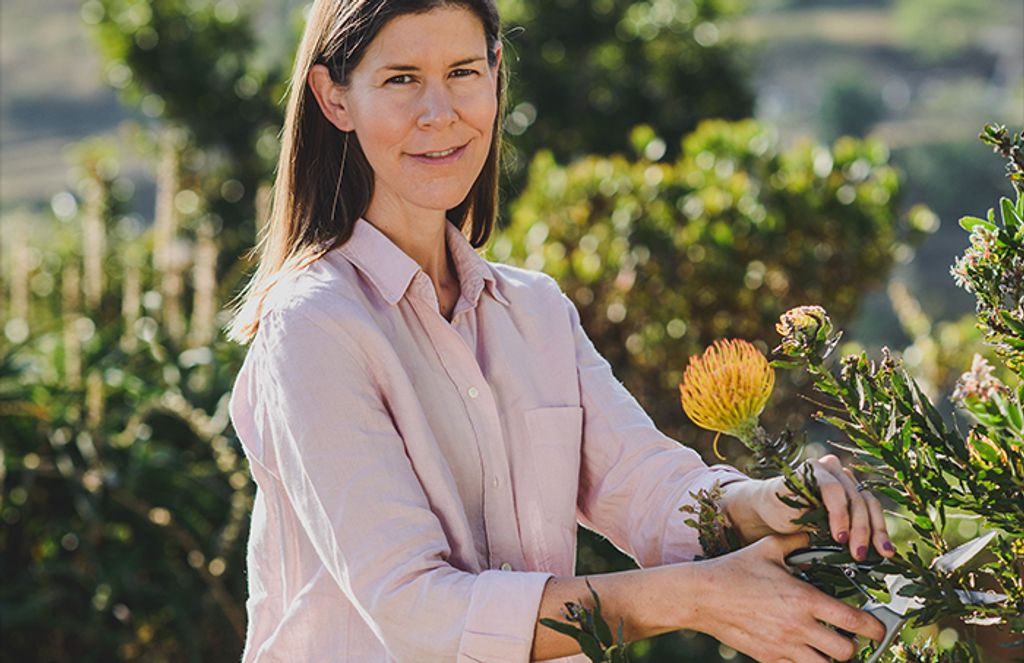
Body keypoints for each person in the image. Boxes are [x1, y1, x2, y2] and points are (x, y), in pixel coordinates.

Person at [225, 1, 895, 661]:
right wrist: (696, 596)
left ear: (494, 74)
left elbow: (653, 491)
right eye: (401, 79)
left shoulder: (536, 311)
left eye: (462, 71)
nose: (440, 112)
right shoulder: (314, 326)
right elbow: (417, 612)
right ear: (334, 98)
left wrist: (770, 502)